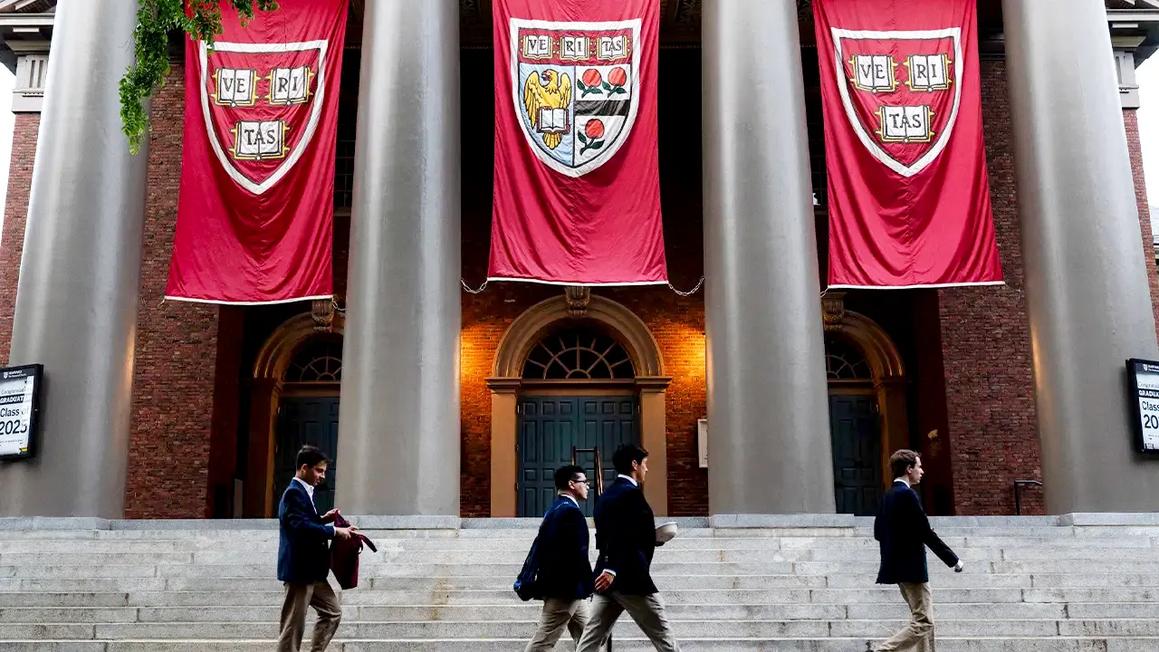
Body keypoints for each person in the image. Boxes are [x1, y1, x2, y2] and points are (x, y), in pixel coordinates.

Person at [575, 444, 679, 651]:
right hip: (629, 578)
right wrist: (613, 568)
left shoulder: (605, 496)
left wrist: (653, 538)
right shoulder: (631, 494)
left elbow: (614, 534)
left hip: (605, 579)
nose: (646, 469)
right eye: (645, 464)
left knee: (590, 641)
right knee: (664, 636)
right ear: (634, 464)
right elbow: (620, 533)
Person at [870, 449, 963, 652]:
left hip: (898, 569)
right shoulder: (907, 495)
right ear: (908, 469)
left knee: (922, 619)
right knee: (924, 621)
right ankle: (881, 651)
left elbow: (878, 532)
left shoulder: (888, 495)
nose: (922, 471)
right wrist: (953, 559)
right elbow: (925, 533)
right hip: (912, 568)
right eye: (919, 467)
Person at [277, 445, 356, 652]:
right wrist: (334, 531)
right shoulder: (294, 492)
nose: (322, 476)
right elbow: (299, 527)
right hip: (300, 571)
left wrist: (323, 519)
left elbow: (304, 522)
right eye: (319, 471)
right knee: (293, 628)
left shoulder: (305, 492)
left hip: (313, 571)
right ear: (304, 468)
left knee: (332, 612)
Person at [524, 464, 596, 651]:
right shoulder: (570, 513)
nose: (587, 486)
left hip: (569, 589)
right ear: (572, 484)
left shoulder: (556, 509)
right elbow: (575, 554)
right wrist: (590, 582)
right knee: (543, 641)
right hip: (566, 589)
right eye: (584, 482)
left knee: (590, 639)